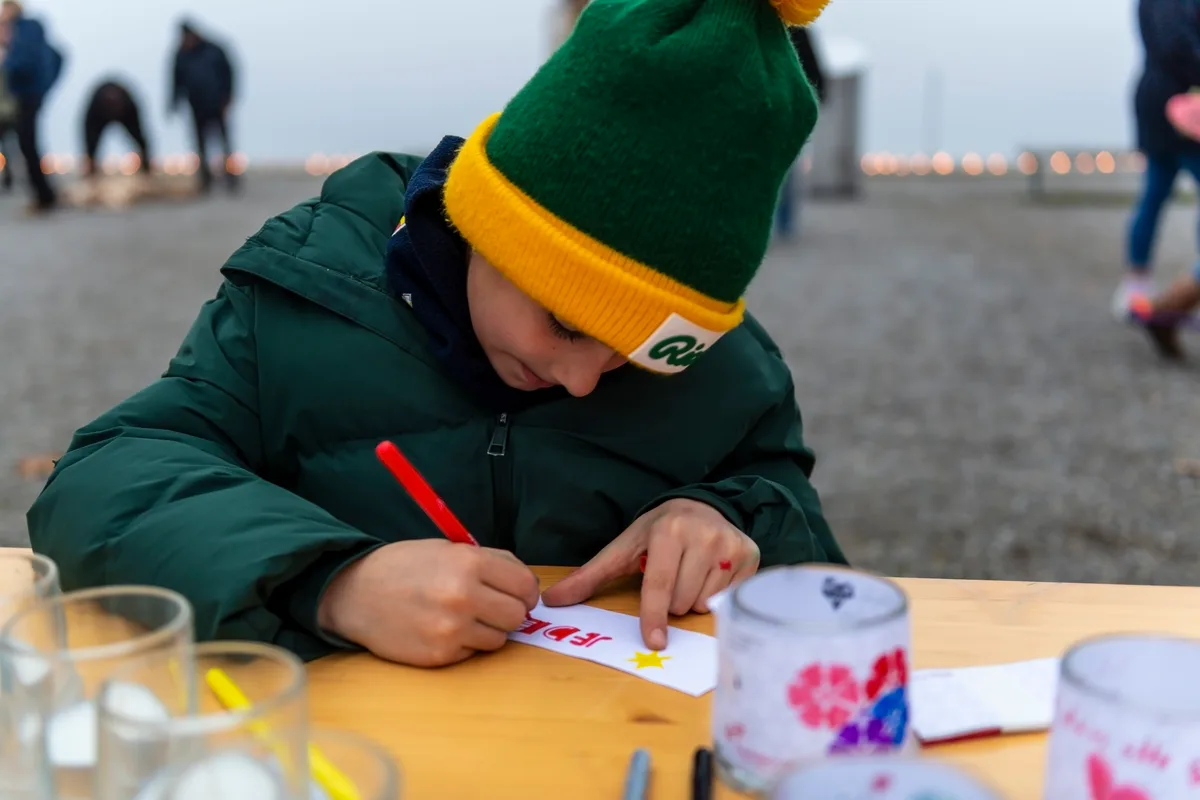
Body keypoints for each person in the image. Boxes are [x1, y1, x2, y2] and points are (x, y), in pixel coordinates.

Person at [29, 0, 844, 668]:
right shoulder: (307, 288)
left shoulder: (725, 364)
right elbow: (104, 478)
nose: (582, 378)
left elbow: (789, 510)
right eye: (566, 321)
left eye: (633, 354)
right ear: (490, 227)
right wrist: (332, 582)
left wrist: (727, 519)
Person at [1115, 0, 1200, 321]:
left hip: (1161, 101)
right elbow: (1176, 45)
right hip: (1179, 107)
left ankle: (1137, 284)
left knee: (1154, 192)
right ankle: (1144, 286)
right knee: (1154, 193)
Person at [0, 0, 63, 213]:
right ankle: (43, 194)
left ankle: (45, 196)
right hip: (21, 97)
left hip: (27, 95)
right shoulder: (23, 29)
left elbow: (25, 61)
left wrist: (43, 86)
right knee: (24, 143)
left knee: (27, 143)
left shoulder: (27, 28)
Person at [170, 19, 236, 193]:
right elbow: (175, 80)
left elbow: (229, 73)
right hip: (196, 106)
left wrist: (228, 96)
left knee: (224, 143)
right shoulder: (181, 54)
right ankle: (205, 179)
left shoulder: (215, 50)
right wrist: (174, 102)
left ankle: (231, 177)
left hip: (217, 104)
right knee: (200, 144)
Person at [775, 24, 826, 240]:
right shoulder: (796, 29)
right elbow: (815, 73)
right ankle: (783, 224)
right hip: (784, 109)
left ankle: (782, 224)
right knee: (785, 172)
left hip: (786, 111)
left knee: (785, 173)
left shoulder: (796, 30)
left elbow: (813, 71)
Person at [82, 79, 152, 178]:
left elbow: (141, 138)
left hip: (123, 109)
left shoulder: (129, 107)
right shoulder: (94, 111)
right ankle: (91, 172)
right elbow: (88, 139)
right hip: (101, 110)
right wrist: (90, 163)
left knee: (140, 139)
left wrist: (146, 164)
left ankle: (146, 168)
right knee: (91, 145)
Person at [0, 22, 17, 193]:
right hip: (7, 108)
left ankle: (10, 176)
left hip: (8, 111)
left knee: (9, 145)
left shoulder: (13, 55)